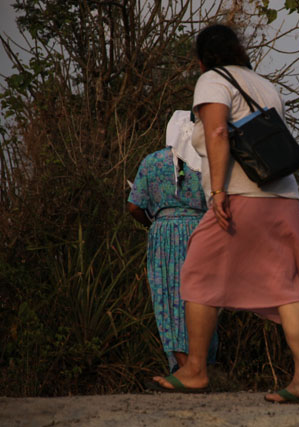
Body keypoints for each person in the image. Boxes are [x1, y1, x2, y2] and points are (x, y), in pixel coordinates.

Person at [150, 24, 299, 404]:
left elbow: (216, 134)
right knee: (286, 285)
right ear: (238, 50)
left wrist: (217, 192)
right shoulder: (264, 85)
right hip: (284, 196)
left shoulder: (212, 80)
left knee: (195, 270)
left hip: (241, 194)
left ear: (202, 59)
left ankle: (195, 369)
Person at [128, 110, 218, 373]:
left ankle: (181, 365)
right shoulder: (206, 164)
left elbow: (134, 206)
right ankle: (203, 364)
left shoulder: (152, 162)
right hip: (201, 234)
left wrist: (151, 224)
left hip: (163, 235)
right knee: (202, 297)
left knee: (169, 299)